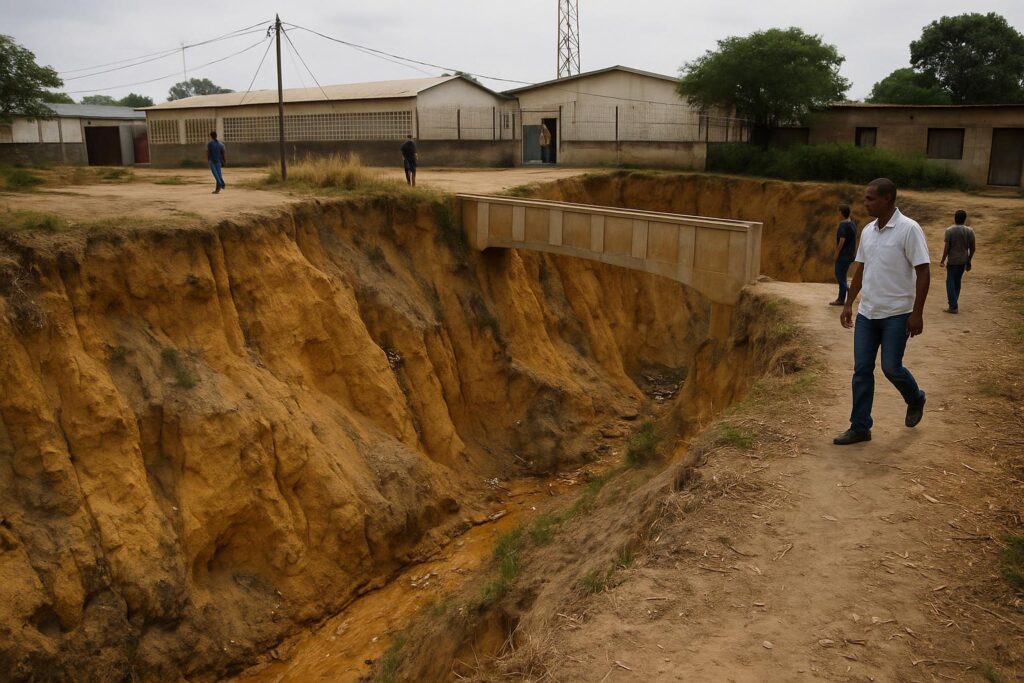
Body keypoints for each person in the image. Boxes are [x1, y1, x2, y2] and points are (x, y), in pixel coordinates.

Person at [834, 178, 930, 445]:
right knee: (862, 369)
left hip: (897, 314)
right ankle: (860, 427)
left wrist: (917, 313)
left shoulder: (909, 229)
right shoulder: (867, 231)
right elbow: (861, 269)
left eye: (870, 198)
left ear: (887, 199)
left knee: (891, 367)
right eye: (866, 198)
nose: (865, 203)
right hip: (868, 313)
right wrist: (849, 303)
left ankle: (916, 398)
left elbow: (923, 270)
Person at [938, 210, 976, 314]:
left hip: (953, 261)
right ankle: (953, 304)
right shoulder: (970, 231)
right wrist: (969, 260)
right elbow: (973, 248)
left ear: (955, 218)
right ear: (965, 219)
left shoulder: (949, 231)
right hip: (963, 261)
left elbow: (947, 248)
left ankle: (953, 306)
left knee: (950, 282)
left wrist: (942, 260)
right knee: (957, 281)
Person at [831, 204, 857, 305]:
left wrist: (836, 254)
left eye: (838, 212)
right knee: (843, 276)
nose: (838, 215)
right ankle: (841, 298)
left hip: (843, 256)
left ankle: (847, 294)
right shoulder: (852, 224)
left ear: (841, 213)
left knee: (839, 275)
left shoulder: (843, 225)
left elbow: (841, 241)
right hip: (850, 255)